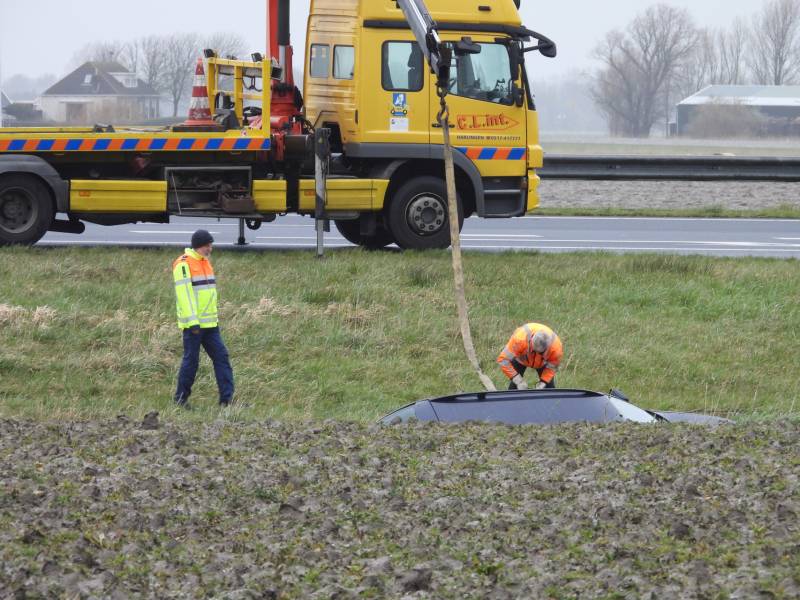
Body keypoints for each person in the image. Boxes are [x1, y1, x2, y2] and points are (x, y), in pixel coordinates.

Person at [172, 229, 234, 408]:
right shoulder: (183, 264)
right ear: (199, 246)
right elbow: (184, 295)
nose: (210, 248)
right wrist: (193, 323)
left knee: (222, 357)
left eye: (210, 245)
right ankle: (180, 400)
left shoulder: (205, 262)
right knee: (191, 362)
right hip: (195, 325)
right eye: (208, 245)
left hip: (210, 324)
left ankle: (226, 400)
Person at [497, 323, 563, 390]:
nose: (536, 353)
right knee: (514, 386)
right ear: (531, 341)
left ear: (547, 348)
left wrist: (544, 382)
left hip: (542, 363)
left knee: (549, 388)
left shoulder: (556, 349)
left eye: (540, 353)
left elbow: (552, 366)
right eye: (533, 350)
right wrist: (518, 380)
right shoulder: (519, 340)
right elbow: (503, 360)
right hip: (521, 359)